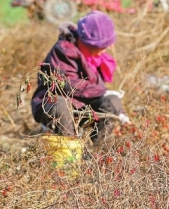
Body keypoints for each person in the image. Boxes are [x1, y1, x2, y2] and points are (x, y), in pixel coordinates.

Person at [31, 10, 130, 146]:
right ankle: (68, 158)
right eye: (100, 46)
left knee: (112, 101)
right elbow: (64, 84)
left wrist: (119, 112)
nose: (104, 50)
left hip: (84, 105)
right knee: (60, 106)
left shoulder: (95, 57)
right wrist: (102, 92)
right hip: (54, 102)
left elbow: (98, 90)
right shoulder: (64, 50)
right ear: (87, 42)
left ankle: (98, 154)